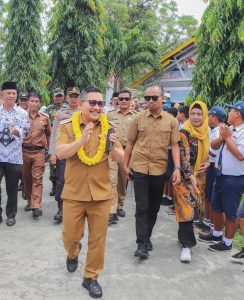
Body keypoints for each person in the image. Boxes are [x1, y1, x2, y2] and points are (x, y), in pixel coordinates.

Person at [55, 86, 124, 298]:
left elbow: (120, 158)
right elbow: (59, 153)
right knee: (70, 236)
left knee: (98, 239)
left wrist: (115, 148)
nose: (96, 107)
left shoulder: (109, 128)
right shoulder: (67, 126)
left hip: (101, 195)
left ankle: (91, 277)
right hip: (74, 194)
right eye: (92, 103)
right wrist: (81, 141)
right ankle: (73, 252)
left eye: (100, 103)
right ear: (82, 104)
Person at [124, 83, 181, 260]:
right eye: (147, 98)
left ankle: (146, 236)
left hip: (159, 169)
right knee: (141, 206)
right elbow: (130, 143)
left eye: (154, 98)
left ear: (162, 99)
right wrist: (125, 166)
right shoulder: (138, 119)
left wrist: (177, 168)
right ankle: (142, 243)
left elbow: (174, 145)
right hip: (139, 167)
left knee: (153, 208)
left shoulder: (171, 121)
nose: (150, 101)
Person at [200, 101, 244, 252]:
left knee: (230, 212)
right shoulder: (228, 129)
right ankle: (217, 234)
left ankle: (227, 243)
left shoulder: (242, 132)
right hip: (219, 175)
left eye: (231, 110)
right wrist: (222, 137)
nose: (229, 113)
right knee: (217, 207)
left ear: (237, 113)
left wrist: (227, 138)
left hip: (233, 178)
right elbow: (214, 146)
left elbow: (240, 155)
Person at [0, 82, 29, 229]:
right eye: (8, 93)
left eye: (14, 93)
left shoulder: (22, 113)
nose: (11, 95)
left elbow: (26, 131)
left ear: (16, 96)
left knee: (12, 189)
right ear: (2, 95)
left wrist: (18, 132)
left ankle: (11, 215)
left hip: (14, 156)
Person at [173, 101, 210, 262]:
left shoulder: (205, 132)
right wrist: (190, 176)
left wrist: (208, 162)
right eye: (193, 114)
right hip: (183, 178)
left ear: (204, 115)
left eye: (199, 114)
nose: (195, 117)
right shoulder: (184, 132)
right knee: (186, 211)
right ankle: (187, 246)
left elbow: (208, 153)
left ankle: (182, 238)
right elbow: (184, 157)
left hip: (200, 178)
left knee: (191, 211)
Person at [48, 87, 80, 222]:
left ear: (79, 98)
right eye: (71, 96)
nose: (73, 98)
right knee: (61, 180)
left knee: (78, 181)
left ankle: (76, 210)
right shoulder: (60, 114)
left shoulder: (85, 112)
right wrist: (52, 153)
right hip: (63, 153)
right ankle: (61, 209)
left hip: (79, 154)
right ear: (67, 98)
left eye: (75, 96)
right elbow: (54, 134)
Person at [107, 88, 138, 224]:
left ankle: (120, 204)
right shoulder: (110, 115)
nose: (124, 101)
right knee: (111, 180)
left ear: (130, 100)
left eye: (127, 99)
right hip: (113, 150)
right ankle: (112, 210)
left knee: (122, 179)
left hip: (128, 152)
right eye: (121, 99)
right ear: (117, 101)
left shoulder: (137, 116)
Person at [197, 106, 227, 234]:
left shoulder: (220, 131)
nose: (207, 118)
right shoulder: (214, 130)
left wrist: (206, 152)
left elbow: (215, 153)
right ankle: (208, 222)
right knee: (209, 197)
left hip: (216, 167)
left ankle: (214, 226)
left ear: (215, 117)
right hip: (211, 166)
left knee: (214, 200)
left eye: (209, 116)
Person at [22, 92, 51, 218]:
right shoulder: (21, 117)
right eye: (32, 101)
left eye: (36, 101)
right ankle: (29, 201)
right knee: (27, 179)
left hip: (39, 152)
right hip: (24, 152)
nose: (34, 103)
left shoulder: (45, 118)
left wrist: (50, 150)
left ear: (40, 103)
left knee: (37, 179)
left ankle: (36, 205)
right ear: (27, 102)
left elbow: (49, 134)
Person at [44, 88, 65, 197]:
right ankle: (54, 185)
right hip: (52, 140)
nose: (58, 98)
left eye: (60, 96)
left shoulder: (67, 109)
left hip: (64, 139)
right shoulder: (48, 110)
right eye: (57, 96)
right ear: (53, 97)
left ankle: (62, 187)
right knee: (53, 165)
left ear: (63, 97)